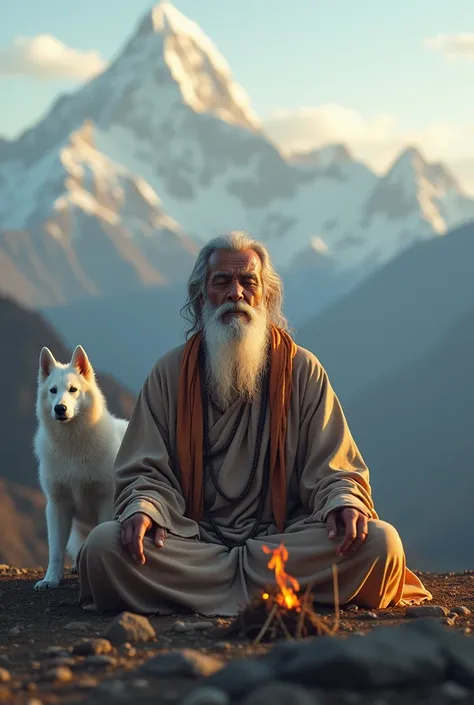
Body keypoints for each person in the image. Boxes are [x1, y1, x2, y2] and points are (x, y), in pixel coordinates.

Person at [77, 230, 432, 615]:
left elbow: (336, 466)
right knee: (102, 548)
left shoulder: (301, 370)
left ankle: (204, 595)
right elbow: (144, 470)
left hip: (283, 544)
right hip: (194, 544)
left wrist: (343, 502)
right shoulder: (170, 374)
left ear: (267, 297)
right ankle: (275, 593)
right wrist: (145, 507)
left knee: (382, 544)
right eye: (222, 282)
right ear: (201, 298)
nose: (236, 294)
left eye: (249, 282)